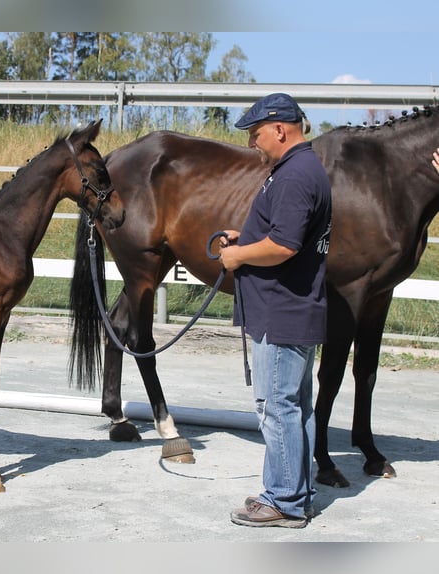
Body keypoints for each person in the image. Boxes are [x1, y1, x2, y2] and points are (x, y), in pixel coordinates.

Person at [219, 93, 332, 529]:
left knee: (275, 405)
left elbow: (284, 246)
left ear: (279, 129)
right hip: (296, 309)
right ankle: (296, 492)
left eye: (256, 133)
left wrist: (239, 256)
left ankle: (282, 500)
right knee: (297, 406)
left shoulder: (292, 176)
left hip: (280, 311)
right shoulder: (303, 169)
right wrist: (244, 234)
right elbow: (286, 233)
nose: (252, 142)